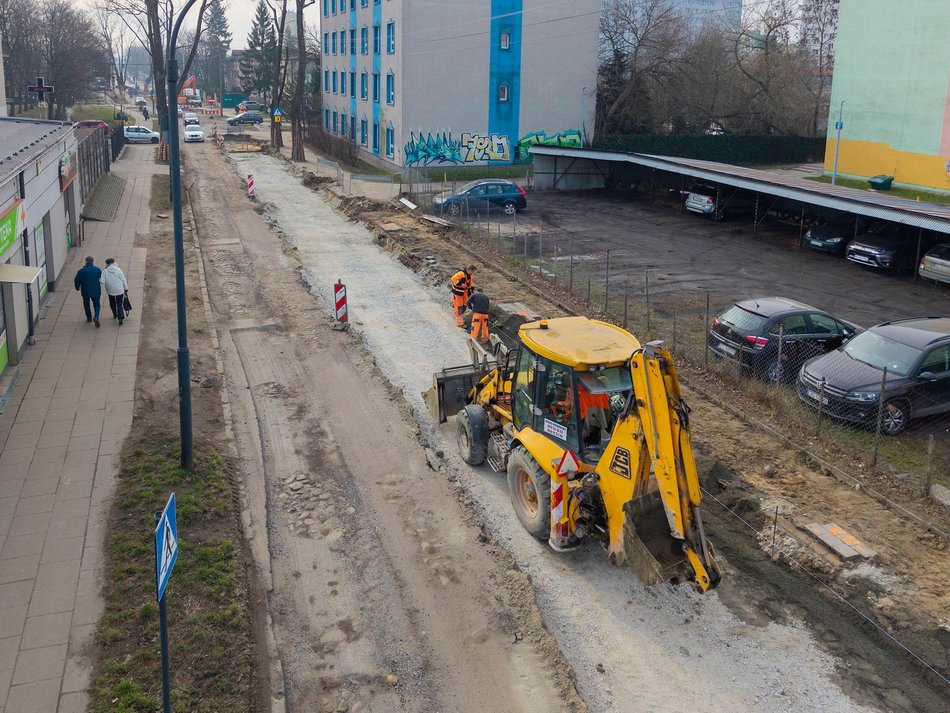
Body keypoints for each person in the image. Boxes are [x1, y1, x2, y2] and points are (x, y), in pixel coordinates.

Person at [73, 256, 102, 327]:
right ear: (93, 261)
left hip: (86, 291)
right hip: (96, 290)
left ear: (86, 261)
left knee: (86, 304)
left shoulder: (82, 271)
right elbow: (101, 278)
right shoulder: (97, 269)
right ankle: (96, 317)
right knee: (97, 304)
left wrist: (77, 287)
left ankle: (89, 317)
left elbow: (77, 280)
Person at [101, 257, 129, 325]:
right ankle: (121, 317)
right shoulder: (119, 270)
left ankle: (114, 313)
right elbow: (123, 280)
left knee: (112, 302)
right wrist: (126, 288)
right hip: (119, 290)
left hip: (110, 291)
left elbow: (102, 281)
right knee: (119, 303)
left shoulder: (105, 271)